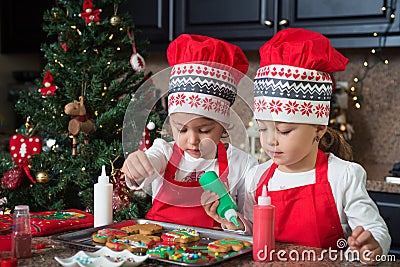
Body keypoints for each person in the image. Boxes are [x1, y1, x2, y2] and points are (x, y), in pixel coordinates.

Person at [241, 28, 391, 264]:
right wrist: (234, 223)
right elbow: (249, 235)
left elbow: (376, 230)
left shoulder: (343, 176)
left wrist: (371, 245)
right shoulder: (257, 178)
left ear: (319, 129)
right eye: (262, 128)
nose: (271, 140)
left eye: (284, 131)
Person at [122, 34, 258, 229]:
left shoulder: (242, 164)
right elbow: (147, 166)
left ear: (222, 125)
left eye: (204, 130)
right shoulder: (164, 152)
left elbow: (251, 224)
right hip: (161, 246)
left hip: (213, 252)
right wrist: (138, 166)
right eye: (181, 129)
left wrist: (234, 223)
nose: (192, 140)